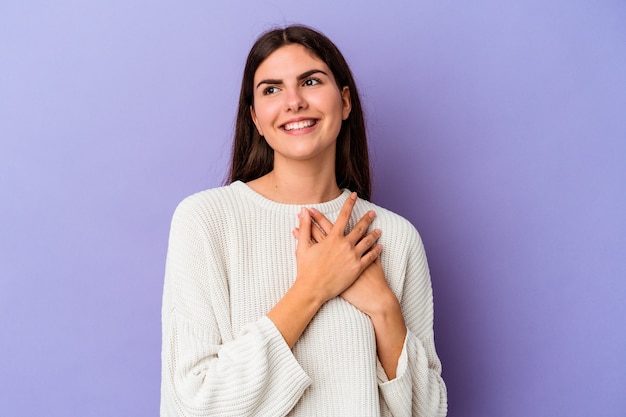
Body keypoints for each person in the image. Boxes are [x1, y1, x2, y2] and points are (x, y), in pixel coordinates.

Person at [161, 24, 447, 416]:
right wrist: (312, 289)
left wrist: (383, 306)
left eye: (310, 81)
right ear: (256, 119)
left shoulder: (395, 238)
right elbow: (194, 406)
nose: (293, 101)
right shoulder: (206, 221)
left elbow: (427, 411)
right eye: (272, 89)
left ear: (345, 102)